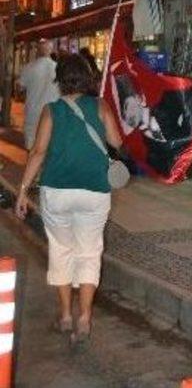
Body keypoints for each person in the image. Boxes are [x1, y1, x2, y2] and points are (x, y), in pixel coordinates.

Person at [15, 53, 122, 346]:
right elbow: (117, 142)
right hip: (94, 191)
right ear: (88, 78)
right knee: (89, 252)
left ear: (59, 81)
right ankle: (85, 317)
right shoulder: (100, 106)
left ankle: (64, 315)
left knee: (61, 251)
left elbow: (37, 152)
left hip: (57, 191)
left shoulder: (51, 110)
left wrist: (23, 190)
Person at [17, 39, 59, 149]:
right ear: (51, 50)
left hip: (33, 112)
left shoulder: (28, 67)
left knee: (31, 147)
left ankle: (33, 165)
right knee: (49, 146)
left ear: (37, 50)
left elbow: (19, 88)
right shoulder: (58, 69)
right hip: (52, 113)